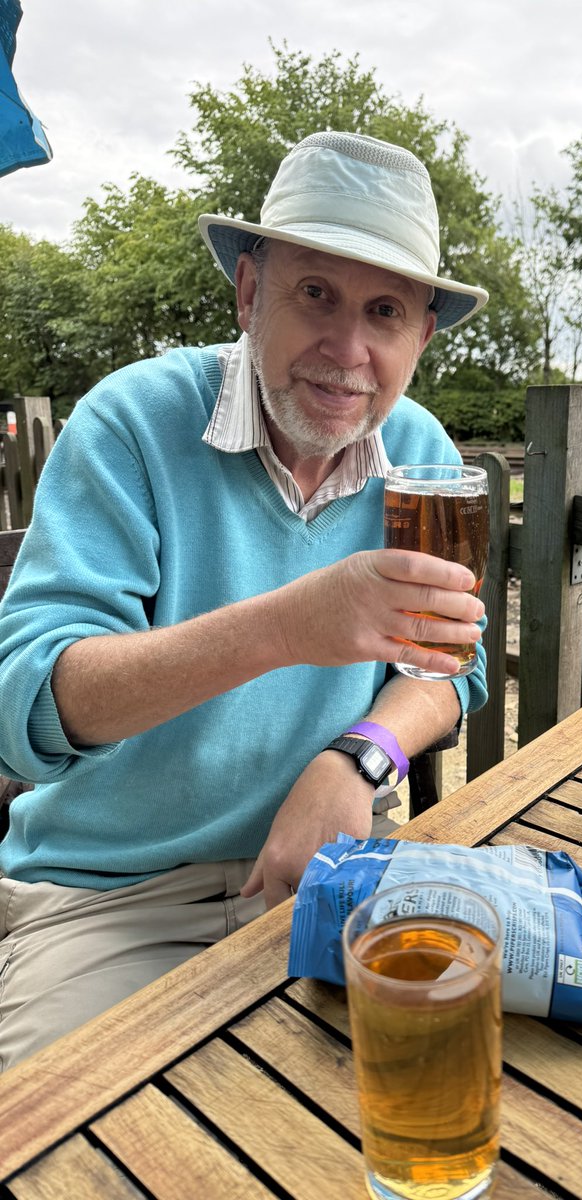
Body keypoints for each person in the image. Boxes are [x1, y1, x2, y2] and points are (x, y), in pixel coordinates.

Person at [0, 131, 490, 1071]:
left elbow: (446, 666)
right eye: (316, 294)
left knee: (467, 1076)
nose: (348, 350)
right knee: (55, 1131)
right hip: (112, 897)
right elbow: (31, 710)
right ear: (250, 293)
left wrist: (357, 760)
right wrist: (293, 625)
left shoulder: (422, 452)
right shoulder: (132, 422)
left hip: (333, 870)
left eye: (384, 311)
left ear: (420, 339)